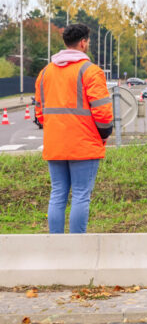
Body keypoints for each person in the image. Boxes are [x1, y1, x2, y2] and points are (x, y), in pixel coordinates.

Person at [35, 24, 113, 233]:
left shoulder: (45, 73)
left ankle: (57, 245)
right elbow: (103, 113)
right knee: (80, 194)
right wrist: (103, 134)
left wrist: (53, 129)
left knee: (58, 193)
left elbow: (39, 112)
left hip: (55, 144)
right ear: (83, 42)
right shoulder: (90, 71)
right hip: (84, 144)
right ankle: (76, 246)